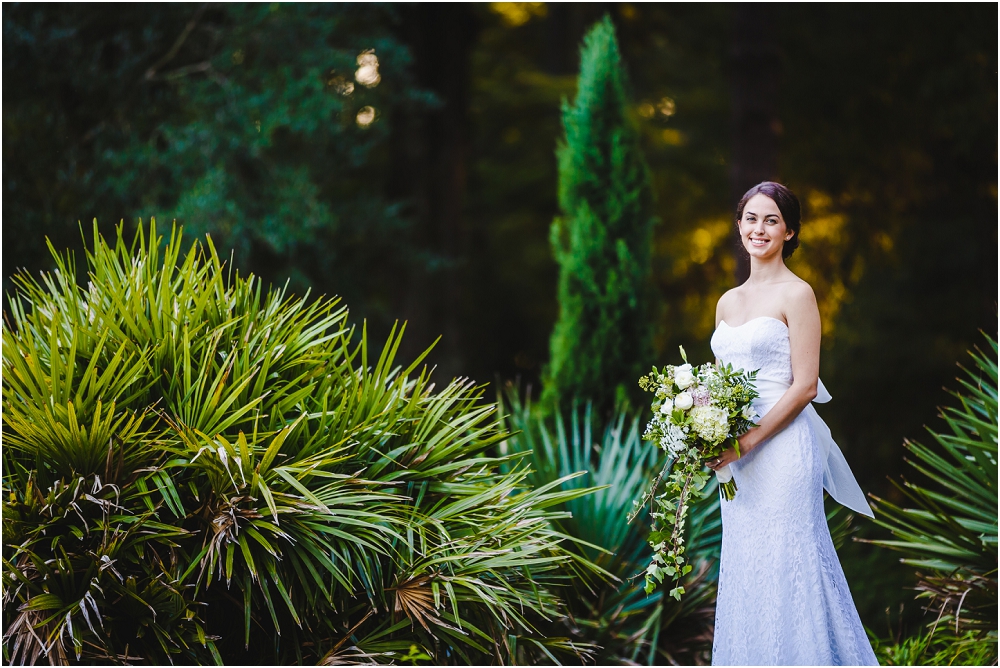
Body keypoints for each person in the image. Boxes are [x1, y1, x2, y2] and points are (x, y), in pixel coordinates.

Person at [707, 181, 878, 665]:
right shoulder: (726, 302)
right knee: (747, 566)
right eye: (751, 218)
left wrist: (747, 443)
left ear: (790, 231)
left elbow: (804, 386)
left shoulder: (798, 293)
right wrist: (706, 433)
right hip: (737, 460)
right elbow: (720, 388)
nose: (758, 229)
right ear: (739, 225)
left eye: (771, 220)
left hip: (780, 451)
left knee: (789, 562)